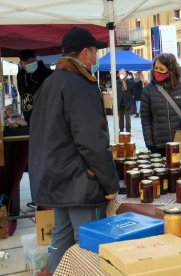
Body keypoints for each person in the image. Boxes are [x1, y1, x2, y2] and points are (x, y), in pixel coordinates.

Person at [28, 27, 119, 274]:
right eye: (95, 52)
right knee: (88, 245)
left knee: (62, 239)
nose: (97, 58)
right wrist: (110, 183)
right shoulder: (80, 84)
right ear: (86, 53)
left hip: (56, 177)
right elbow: (92, 140)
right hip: (79, 180)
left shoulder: (49, 83)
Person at [141, 53, 181, 156]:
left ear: (171, 69)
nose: (157, 71)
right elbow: (145, 118)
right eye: (156, 68)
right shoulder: (148, 90)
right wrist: (149, 143)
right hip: (159, 145)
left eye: (161, 69)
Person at [17, 49, 53, 125]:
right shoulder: (20, 75)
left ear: (36, 60)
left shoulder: (48, 73)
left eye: (32, 60)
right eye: (26, 62)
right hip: (28, 117)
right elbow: (21, 93)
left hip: (47, 117)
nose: (30, 63)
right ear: (21, 63)